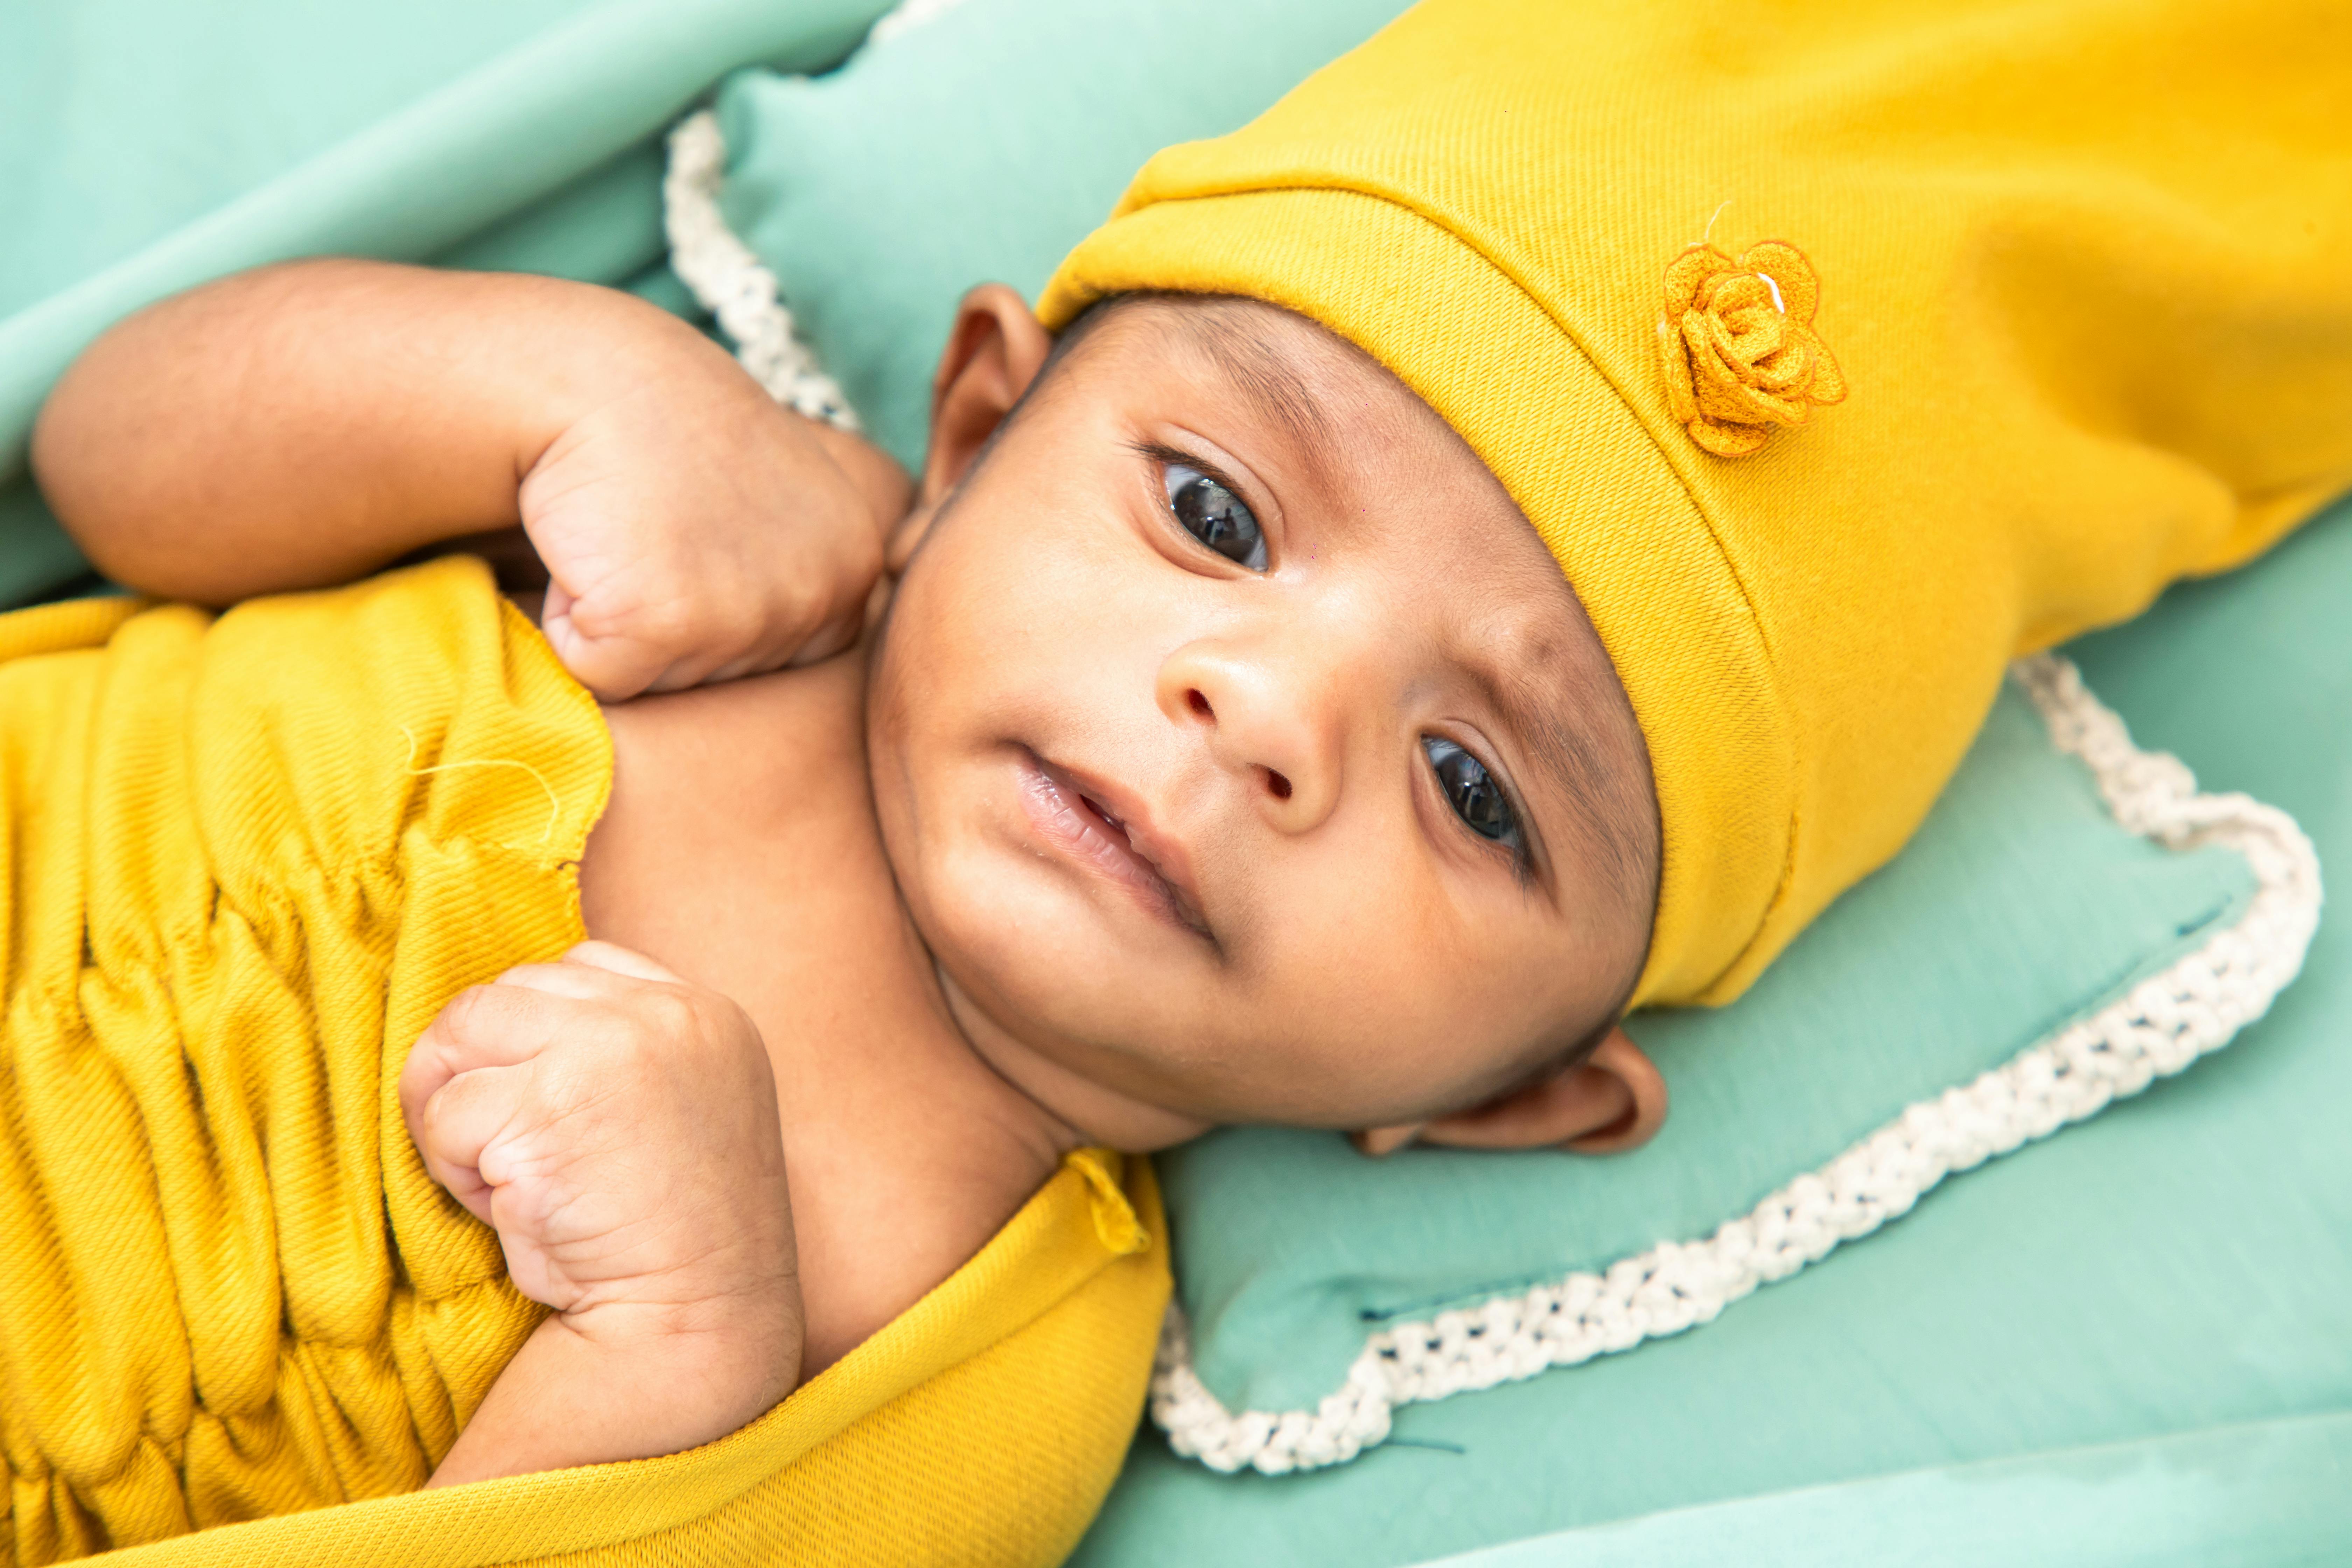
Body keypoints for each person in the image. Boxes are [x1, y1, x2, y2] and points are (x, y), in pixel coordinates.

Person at [9, 0, 2349, 1545]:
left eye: (1480, 789)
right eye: (1216, 516)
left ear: (1516, 1096)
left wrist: (677, 1346)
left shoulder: (1002, 1354)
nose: (1270, 713)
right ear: (979, 420)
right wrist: (553, 388)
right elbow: (113, 468)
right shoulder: (684, 576)